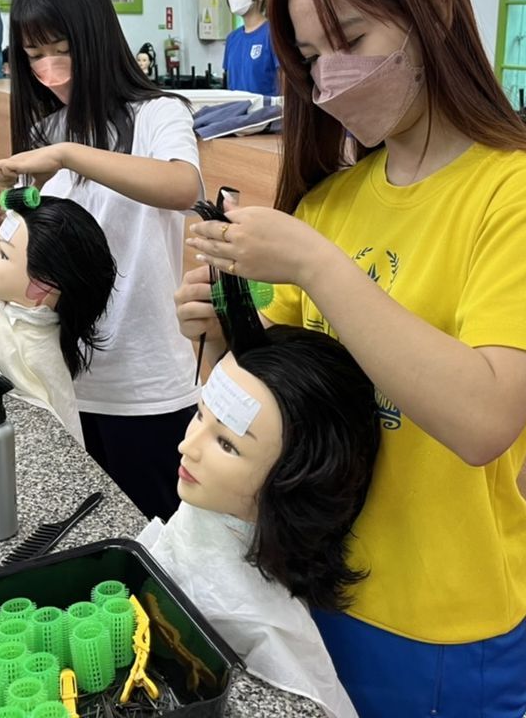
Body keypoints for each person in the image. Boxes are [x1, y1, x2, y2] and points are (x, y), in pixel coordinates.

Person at [175, 0, 526, 718]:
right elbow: (276, 409)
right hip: (309, 578)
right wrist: (221, 335)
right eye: (311, 55)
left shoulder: (524, 197)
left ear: (434, 14)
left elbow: (484, 420)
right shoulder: (333, 201)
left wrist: (318, 267)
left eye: (353, 40)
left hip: (435, 621)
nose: (330, 77)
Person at [0, 0, 202, 520]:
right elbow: (41, 254)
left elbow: (182, 187)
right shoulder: (45, 131)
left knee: (156, 539)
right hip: (58, 379)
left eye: (60, 49)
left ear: (94, 38)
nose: (48, 68)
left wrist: (66, 155)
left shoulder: (157, 115)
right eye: (33, 55)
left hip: (145, 384)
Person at [145, 205, 379, 717]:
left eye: (227, 444)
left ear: (295, 479)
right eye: (200, 415)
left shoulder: (265, 630)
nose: (187, 447)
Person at [0, 197, 117, 446]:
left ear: (44, 285)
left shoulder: (33, 354)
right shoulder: (14, 308)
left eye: (3, 255)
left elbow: (59, 437)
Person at [222, 0, 279, 96]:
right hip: (237, 107)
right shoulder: (232, 39)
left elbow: (285, 79)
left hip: (267, 107)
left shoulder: (273, 34)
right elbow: (229, 82)